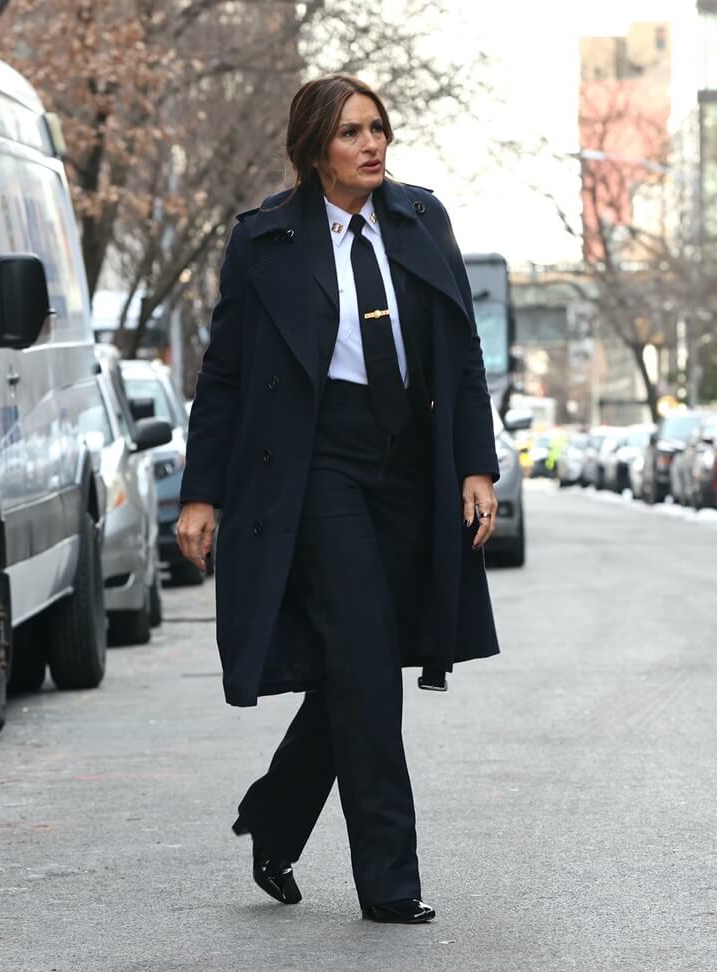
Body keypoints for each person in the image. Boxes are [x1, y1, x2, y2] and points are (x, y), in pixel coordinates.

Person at [175, 73, 501, 925]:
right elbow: (226, 376)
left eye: (379, 129)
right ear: (315, 146)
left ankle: (275, 818)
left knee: (359, 670)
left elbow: (461, 353)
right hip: (318, 471)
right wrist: (200, 493)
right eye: (353, 132)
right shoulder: (265, 241)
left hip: (410, 471)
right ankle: (391, 884)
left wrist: (477, 465)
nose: (372, 144)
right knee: (366, 673)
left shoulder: (421, 219)